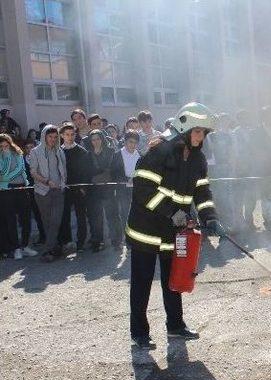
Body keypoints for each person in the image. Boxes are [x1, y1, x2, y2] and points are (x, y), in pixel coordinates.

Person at [126, 102, 219, 349]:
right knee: (142, 282)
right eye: (197, 131)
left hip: (172, 230)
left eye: (204, 133)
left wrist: (210, 216)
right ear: (185, 130)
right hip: (146, 230)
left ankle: (175, 326)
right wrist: (172, 212)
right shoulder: (158, 152)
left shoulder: (198, 159)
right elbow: (143, 191)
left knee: (174, 279)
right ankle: (139, 332)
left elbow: (202, 190)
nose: (201, 137)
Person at [28, 125, 66, 262]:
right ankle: (54, 249)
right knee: (48, 222)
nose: (53, 139)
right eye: (50, 136)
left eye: (55, 137)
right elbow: (33, 172)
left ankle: (46, 250)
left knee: (56, 220)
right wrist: (46, 181)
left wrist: (62, 183)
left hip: (58, 191)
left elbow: (63, 169)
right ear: (44, 136)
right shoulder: (35, 152)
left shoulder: (59, 151)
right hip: (42, 192)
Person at [0, 134, 38, 259]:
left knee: (26, 218)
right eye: (2, 146)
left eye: (6, 145)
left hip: (21, 187)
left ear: (10, 144)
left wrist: (6, 177)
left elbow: (20, 169)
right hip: (6, 190)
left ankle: (25, 245)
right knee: (10, 220)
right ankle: (16, 248)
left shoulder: (17, 153)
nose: (4, 148)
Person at [86, 129, 122, 252]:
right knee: (96, 217)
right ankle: (97, 241)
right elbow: (87, 173)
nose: (96, 142)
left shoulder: (111, 152)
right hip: (94, 190)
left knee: (112, 215)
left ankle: (116, 241)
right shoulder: (88, 154)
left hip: (109, 188)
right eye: (93, 139)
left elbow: (116, 169)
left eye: (98, 139)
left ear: (102, 139)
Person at [58, 122, 90, 253]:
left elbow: (86, 171)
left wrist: (83, 187)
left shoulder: (81, 151)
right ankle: (67, 242)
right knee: (64, 216)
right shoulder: (58, 151)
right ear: (62, 135)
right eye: (67, 134)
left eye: (72, 134)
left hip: (79, 188)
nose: (70, 137)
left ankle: (81, 242)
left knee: (80, 216)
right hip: (64, 189)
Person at [111, 131, 141, 226]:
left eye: (135, 143)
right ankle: (123, 237)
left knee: (137, 214)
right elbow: (113, 173)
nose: (133, 145)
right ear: (125, 142)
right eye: (130, 142)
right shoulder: (117, 155)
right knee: (124, 215)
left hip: (136, 190)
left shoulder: (140, 156)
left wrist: (135, 179)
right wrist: (125, 180)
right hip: (122, 190)